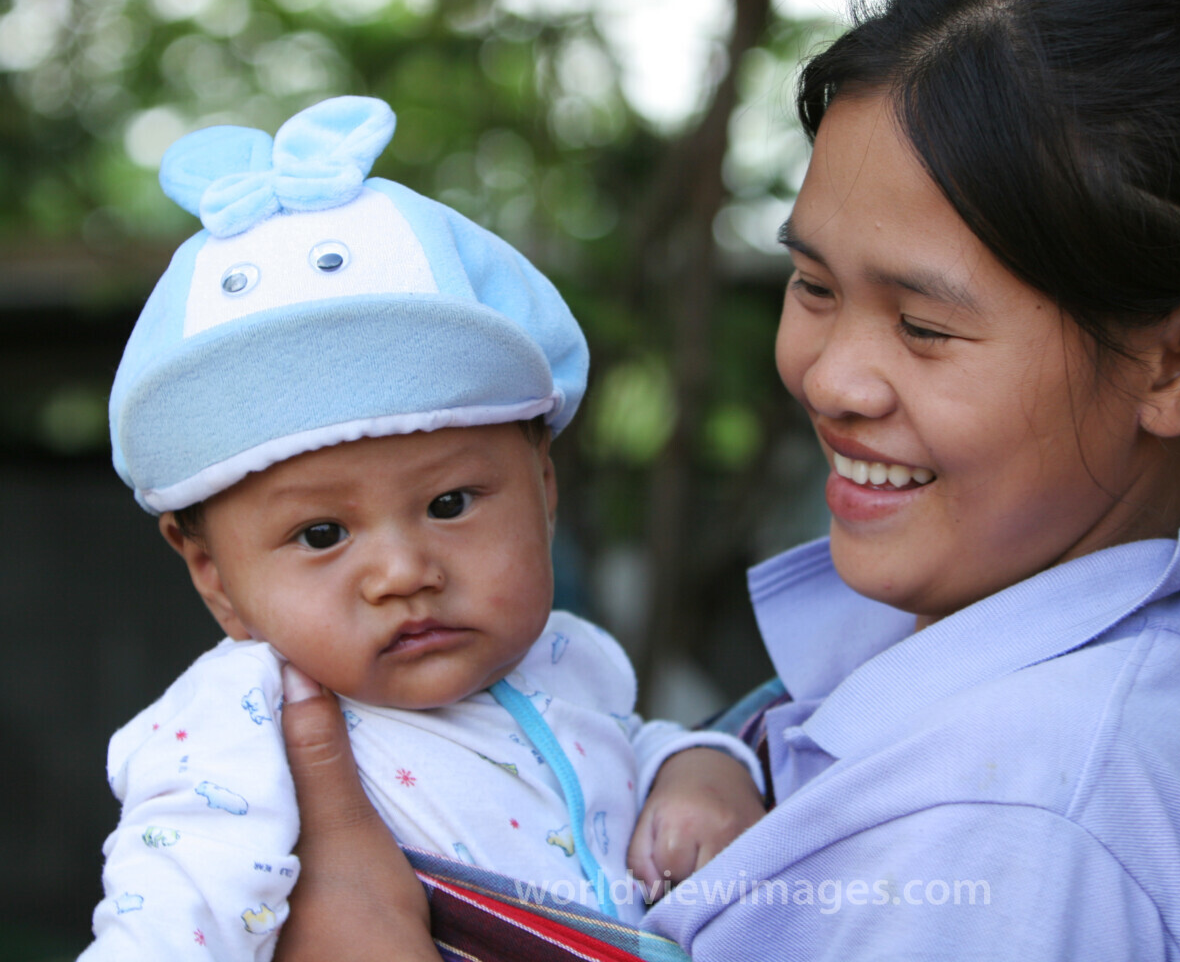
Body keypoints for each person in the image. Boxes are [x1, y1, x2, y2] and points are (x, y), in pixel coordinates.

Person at [270, 0, 1180, 959]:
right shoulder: (977, 682)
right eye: (814, 287)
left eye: (926, 327)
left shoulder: (1013, 824)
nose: (831, 377)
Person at [81, 95, 766, 962]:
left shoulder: (559, 658)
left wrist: (701, 768)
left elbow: (625, 746)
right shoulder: (243, 721)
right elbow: (167, 918)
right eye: (323, 533)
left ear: (543, 488)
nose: (403, 571)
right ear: (214, 575)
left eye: (450, 505)